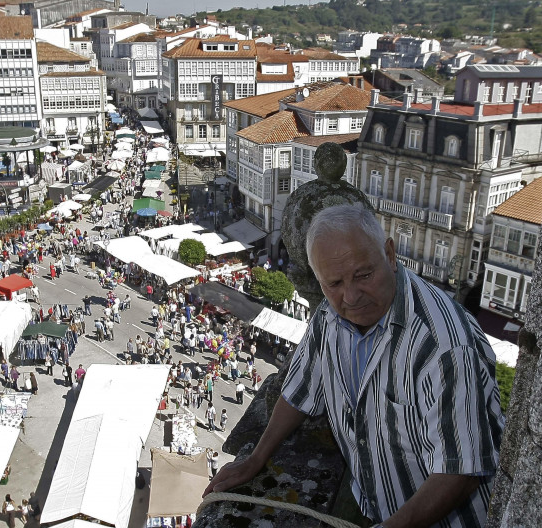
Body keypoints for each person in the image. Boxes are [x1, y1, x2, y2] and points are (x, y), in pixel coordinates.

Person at [205, 203, 504, 528]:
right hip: (375, 508)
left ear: (389, 254)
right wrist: (256, 458)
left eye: (363, 275)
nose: (350, 296)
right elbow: (299, 392)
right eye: (333, 284)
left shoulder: (446, 345)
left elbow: (461, 471)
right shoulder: (328, 315)